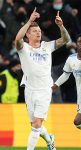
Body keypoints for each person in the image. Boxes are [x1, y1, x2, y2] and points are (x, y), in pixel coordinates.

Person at [15, 8, 70, 150]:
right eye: (34, 31)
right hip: (30, 89)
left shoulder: (47, 46)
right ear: (28, 34)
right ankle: (49, 139)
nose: (38, 32)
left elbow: (65, 40)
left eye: (39, 31)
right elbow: (17, 38)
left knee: (37, 124)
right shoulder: (23, 48)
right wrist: (29, 21)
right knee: (34, 124)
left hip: (45, 89)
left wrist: (61, 26)